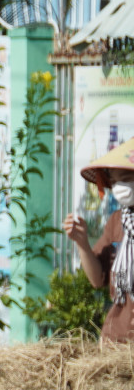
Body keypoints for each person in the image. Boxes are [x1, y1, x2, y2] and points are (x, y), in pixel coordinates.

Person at [64, 138, 134, 342]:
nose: (120, 186)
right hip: (118, 337)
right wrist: (82, 243)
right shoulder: (117, 221)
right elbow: (97, 279)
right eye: (115, 181)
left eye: (126, 179)